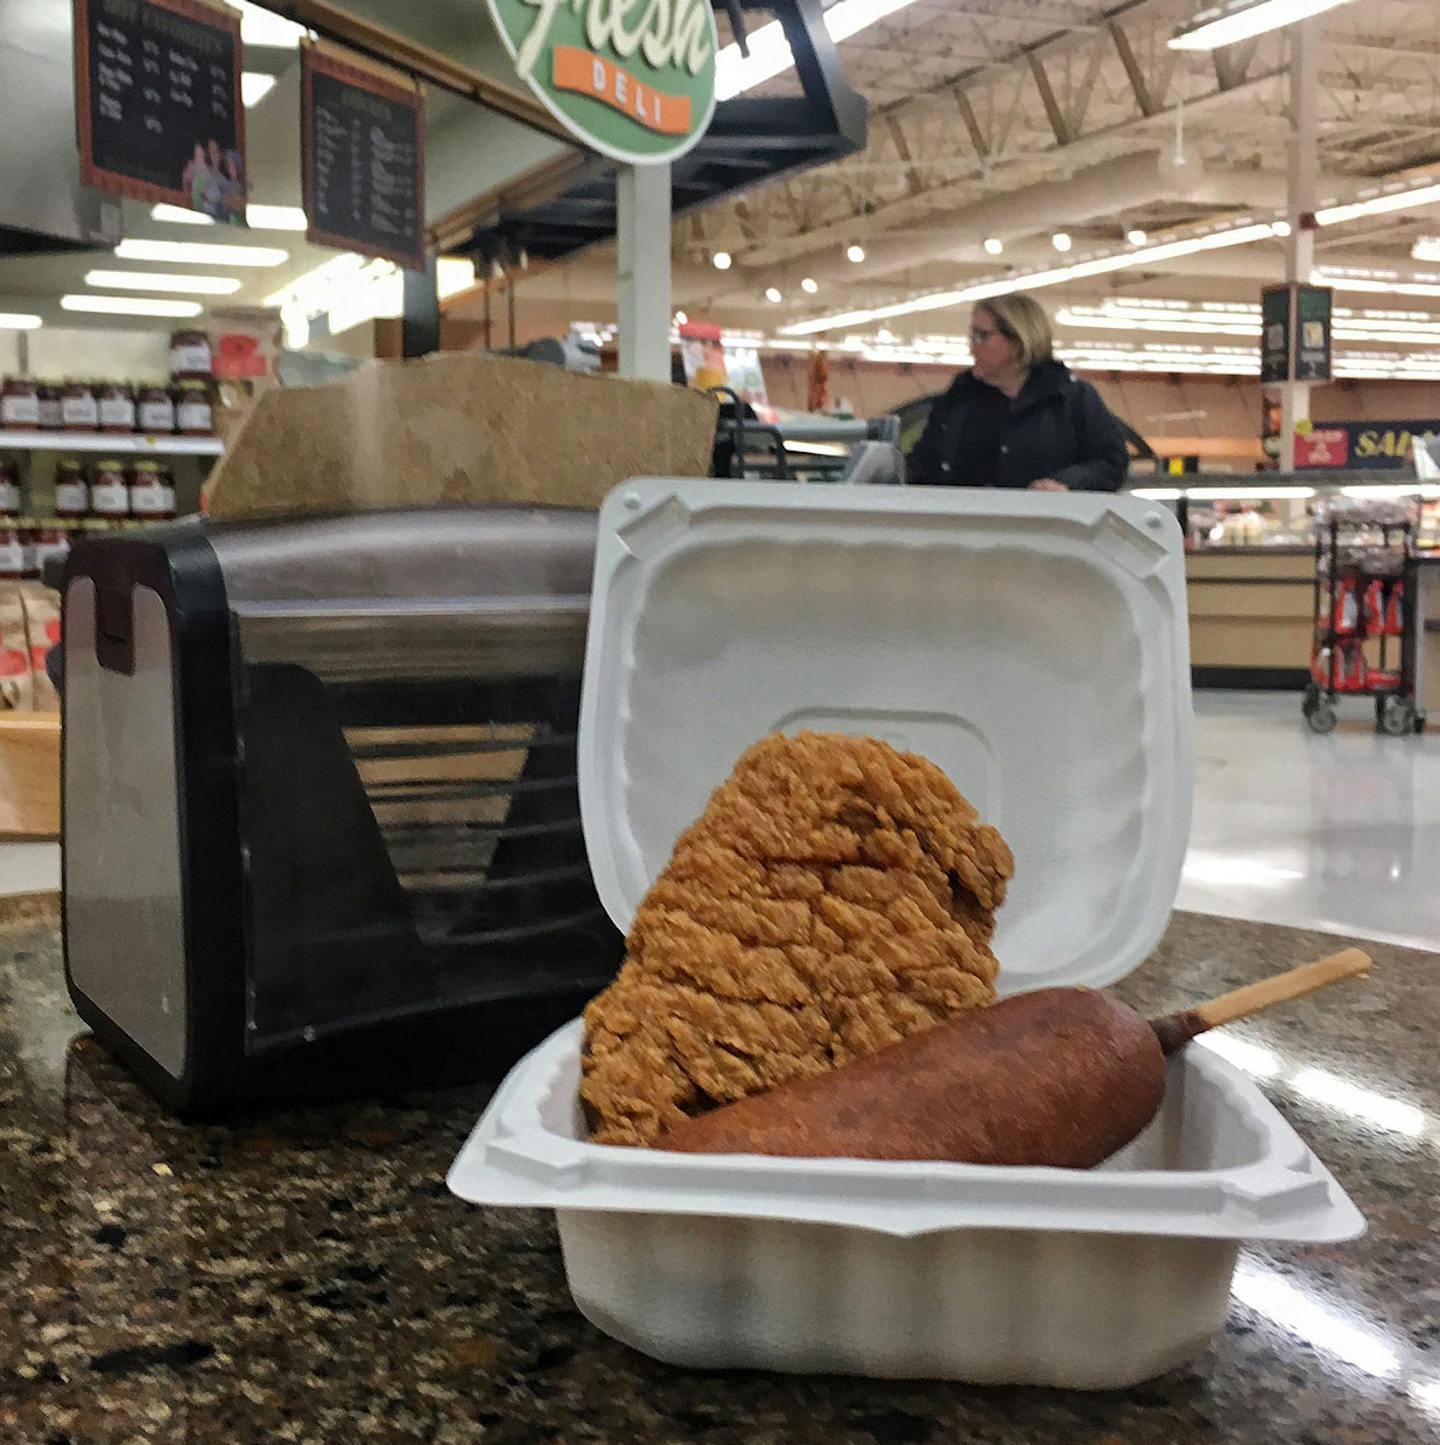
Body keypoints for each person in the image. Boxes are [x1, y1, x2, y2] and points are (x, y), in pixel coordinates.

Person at [908, 292, 1128, 491]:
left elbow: (1111, 463)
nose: (972, 348)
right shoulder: (958, 400)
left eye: (981, 336)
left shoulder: (1071, 399)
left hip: (1049, 529)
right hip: (962, 529)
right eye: (972, 336)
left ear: (1018, 341)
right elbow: (923, 465)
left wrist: (1065, 483)